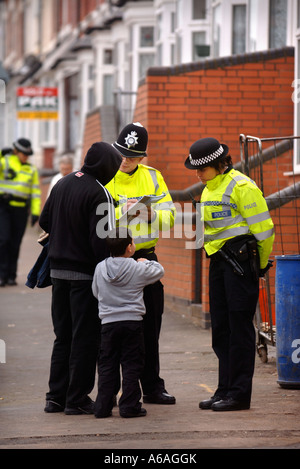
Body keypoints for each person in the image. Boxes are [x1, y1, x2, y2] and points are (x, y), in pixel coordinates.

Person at [184, 137, 274, 411]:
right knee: (221, 329)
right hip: (219, 263)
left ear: (219, 164)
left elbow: (265, 230)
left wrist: (259, 266)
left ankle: (239, 394)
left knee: (239, 329)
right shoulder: (209, 189)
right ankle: (223, 390)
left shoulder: (242, 186)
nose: (197, 175)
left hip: (241, 264)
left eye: (202, 169)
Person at [39, 141, 122, 415]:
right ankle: (77, 399)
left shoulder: (62, 183)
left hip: (57, 274)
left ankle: (55, 398)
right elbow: (101, 243)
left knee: (62, 336)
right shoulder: (100, 193)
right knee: (85, 338)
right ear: (107, 166)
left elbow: (44, 221)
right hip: (84, 278)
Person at [105, 122, 176, 405]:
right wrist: (122, 210)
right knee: (112, 330)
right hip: (113, 260)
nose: (126, 161)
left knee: (150, 327)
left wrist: (149, 215)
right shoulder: (105, 174)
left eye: (133, 157)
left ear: (142, 157)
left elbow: (170, 216)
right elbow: (95, 216)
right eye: (122, 154)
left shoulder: (154, 177)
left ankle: (152, 387)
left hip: (145, 259)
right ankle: (112, 390)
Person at [92, 227, 165, 418]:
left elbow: (95, 292)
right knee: (132, 365)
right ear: (130, 248)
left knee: (107, 365)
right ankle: (129, 406)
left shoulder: (100, 267)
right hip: (132, 324)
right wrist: (146, 261)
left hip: (108, 324)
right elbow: (159, 271)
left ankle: (102, 406)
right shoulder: (136, 268)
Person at [0, 138, 41, 286]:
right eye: (23, 153)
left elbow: (35, 193)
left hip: (21, 210)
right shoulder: (5, 161)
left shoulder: (31, 169)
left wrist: (36, 213)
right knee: (3, 240)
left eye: (27, 154)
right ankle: (2, 275)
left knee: (15, 243)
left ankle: (11, 276)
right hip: (4, 207)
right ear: (16, 151)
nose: (25, 156)